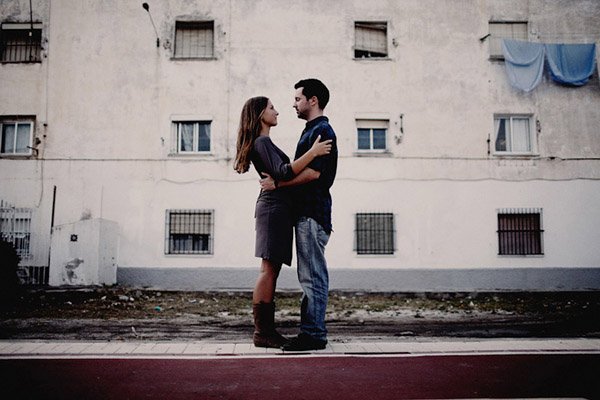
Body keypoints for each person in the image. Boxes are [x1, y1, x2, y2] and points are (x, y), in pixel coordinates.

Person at [234, 96, 332, 348]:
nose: (277, 112)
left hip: (278, 210)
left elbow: (281, 173)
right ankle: (263, 332)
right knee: (268, 270)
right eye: (271, 108)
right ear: (259, 115)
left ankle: (265, 331)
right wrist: (313, 152)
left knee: (271, 270)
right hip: (273, 209)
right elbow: (284, 172)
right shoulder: (262, 141)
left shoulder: (265, 142)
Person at [260, 79, 338, 351]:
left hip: (312, 213)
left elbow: (313, 173)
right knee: (309, 275)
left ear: (312, 100)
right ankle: (311, 332)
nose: (293, 104)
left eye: (297, 99)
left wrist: (278, 184)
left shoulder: (322, 129)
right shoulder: (312, 130)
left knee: (312, 276)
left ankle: (313, 335)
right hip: (307, 214)